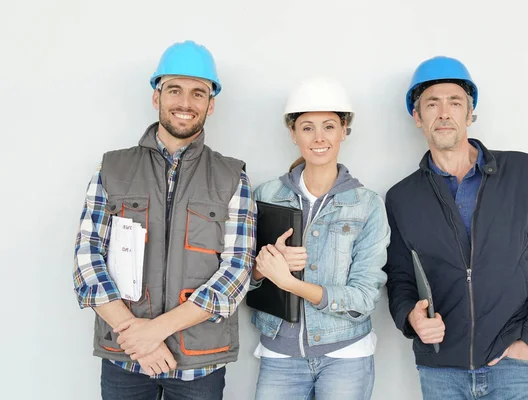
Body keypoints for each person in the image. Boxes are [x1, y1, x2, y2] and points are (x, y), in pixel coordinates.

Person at [72, 40, 256, 400]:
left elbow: (237, 272)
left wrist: (156, 330)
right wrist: (138, 337)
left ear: (211, 104)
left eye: (198, 93)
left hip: (200, 364)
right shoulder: (112, 168)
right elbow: (86, 259)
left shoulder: (233, 176)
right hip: (125, 356)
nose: (185, 103)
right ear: (157, 97)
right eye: (174, 90)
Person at [384, 56, 528, 399]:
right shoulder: (401, 197)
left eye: (455, 102)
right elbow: (399, 281)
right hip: (440, 370)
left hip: (510, 364)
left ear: (470, 113)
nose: (444, 113)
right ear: (417, 117)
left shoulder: (523, 173)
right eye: (432, 104)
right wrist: (411, 318)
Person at [248, 77, 390, 400]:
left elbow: (364, 299)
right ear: (293, 133)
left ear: (344, 131)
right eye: (307, 127)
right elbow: (246, 282)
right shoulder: (266, 195)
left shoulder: (367, 205)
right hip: (279, 355)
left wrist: (290, 283)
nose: (319, 138)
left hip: (346, 356)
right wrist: (265, 266)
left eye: (329, 126)